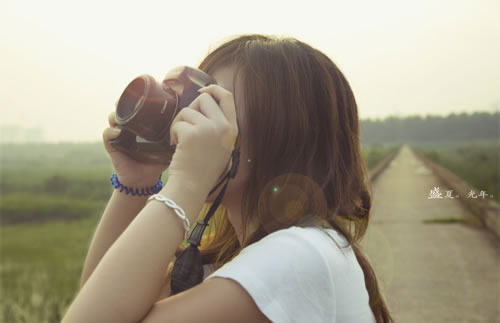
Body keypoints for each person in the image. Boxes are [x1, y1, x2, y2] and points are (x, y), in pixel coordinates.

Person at [62, 34, 394, 323]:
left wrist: (187, 184)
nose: (188, 119)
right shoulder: (231, 260)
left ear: (282, 134)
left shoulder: (300, 254)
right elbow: (100, 300)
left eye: (213, 105)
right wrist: (136, 182)